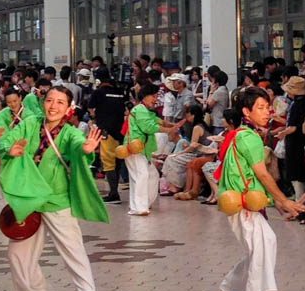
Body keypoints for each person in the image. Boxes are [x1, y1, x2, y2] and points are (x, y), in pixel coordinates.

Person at [0, 86, 107, 291]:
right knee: (17, 255)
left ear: (69, 108)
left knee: (74, 254)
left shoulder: (69, 132)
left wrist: (86, 150)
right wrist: (10, 150)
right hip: (29, 199)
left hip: (57, 201)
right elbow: (7, 141)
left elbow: (78, 144)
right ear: (42, 102)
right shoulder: (30, 123)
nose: (53, 106)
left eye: (60, 102)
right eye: (49, 100)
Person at [217, 87, 305, 291]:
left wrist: (276, 201)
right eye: (260, 108)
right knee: (263, 243)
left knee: (260, 244)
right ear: (246, 112)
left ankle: (231, 286)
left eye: (267, 107)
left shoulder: (242, 134)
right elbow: (262, 174)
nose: (267, 112)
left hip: (244, 199)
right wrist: (284, 200)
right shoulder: (249, 137)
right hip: (243, 201)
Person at [123, 83, 178, 216]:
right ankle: (139, 207)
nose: (155, 99)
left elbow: (158, 121)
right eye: (153, 96)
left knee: (150, 175)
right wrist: (168, 129)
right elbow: (148, 127)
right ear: (145, 96)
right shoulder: (141, 109)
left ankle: (142, 204)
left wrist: (171, 125)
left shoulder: (145, 110)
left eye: (156, 96)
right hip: (135, 149)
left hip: (141, 150)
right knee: (141, 176)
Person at [88, 68, 128, 204]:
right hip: (121, 132)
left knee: (108, 162)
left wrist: (95, 117)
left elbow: (91, 110)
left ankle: (114, 193)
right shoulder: (120, 92)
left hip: (106, 132)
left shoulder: (98, 93)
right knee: (117, 161)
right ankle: (114, 191)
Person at [163, 104, 215, 195]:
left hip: (200, 153)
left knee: (172, 159)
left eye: (188, 115)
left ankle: (176, 186)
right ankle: (176, 186)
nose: (187, 117)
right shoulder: (200, 126)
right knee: (172, 158)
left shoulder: (197, 127)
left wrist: (180, 153)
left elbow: (192, 147)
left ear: (193, 115)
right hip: (198, 152)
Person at [272, 75, 305, 200]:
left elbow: (292, 127)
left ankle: (299, 202)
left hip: (294, 143)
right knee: (300, 174)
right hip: (302, 141)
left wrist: (283, 133)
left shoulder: (296, 105)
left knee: (296, 175)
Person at [206, 68, 230, 135]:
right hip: (221, 119)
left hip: (217, 121)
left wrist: (211, 91)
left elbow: (209, 104)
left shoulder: (218, 92)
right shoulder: (225, 89)